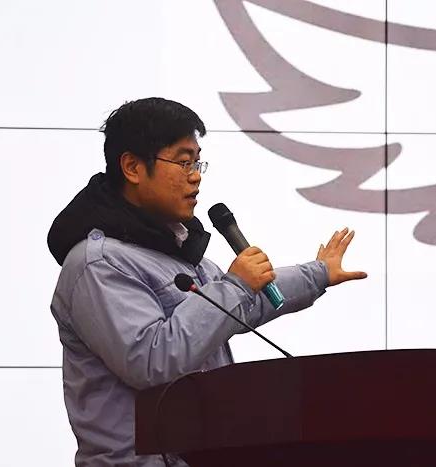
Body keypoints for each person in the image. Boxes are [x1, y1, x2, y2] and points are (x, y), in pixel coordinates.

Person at [47, 97, 367, 466]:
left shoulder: (172, 250)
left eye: (197, 162)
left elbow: (245, 302)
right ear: (133, 167)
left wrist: (319, 273)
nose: (196, 175)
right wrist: (235, 286)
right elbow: (150, 360)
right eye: (183, 162)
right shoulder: (99, 264)